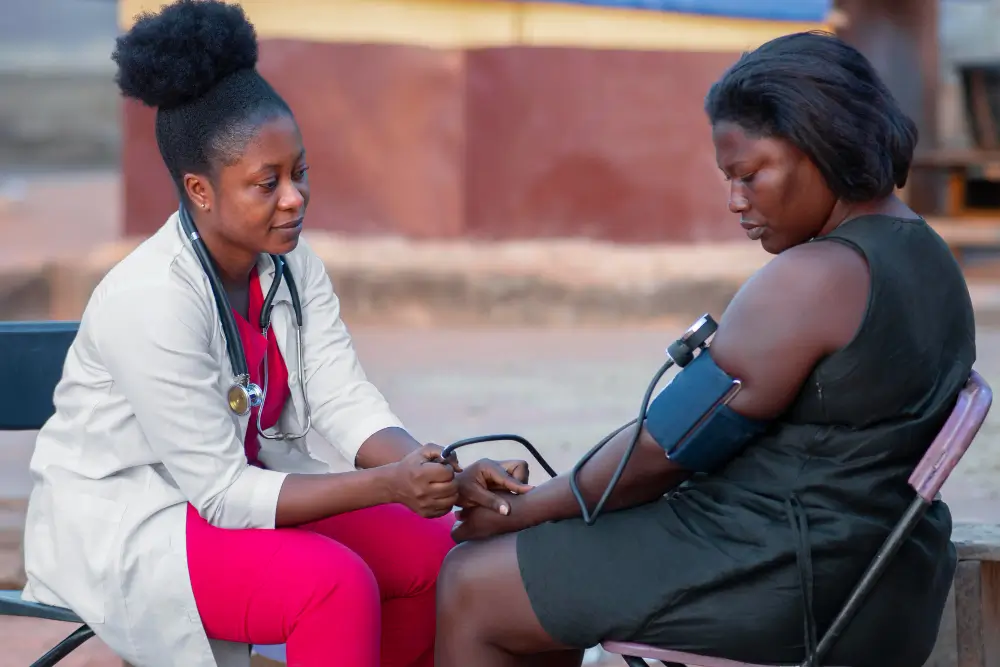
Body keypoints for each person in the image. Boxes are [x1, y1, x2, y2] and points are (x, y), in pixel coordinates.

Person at [434, 30, 976, 667]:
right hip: (873, 570)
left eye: (749, 175)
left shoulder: (816, 278)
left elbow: (663, 449)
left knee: (473, 584)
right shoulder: (926, 253)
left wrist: (519, 511)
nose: (734, 200)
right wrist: (548, 514)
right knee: (548, 565)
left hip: (781, 575)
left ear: (823, 149)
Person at [18, 2, 531, 667]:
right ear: (200, 189)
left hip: (229, 497)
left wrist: (437, 474)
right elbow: (223, 492)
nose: (294, 198)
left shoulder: (289, 263)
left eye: (299, 172)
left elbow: (343, 399)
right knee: (333, 584)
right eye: (267, 183)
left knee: (432, 552)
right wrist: (389, 485)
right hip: (138, 526)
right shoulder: (150, 298)